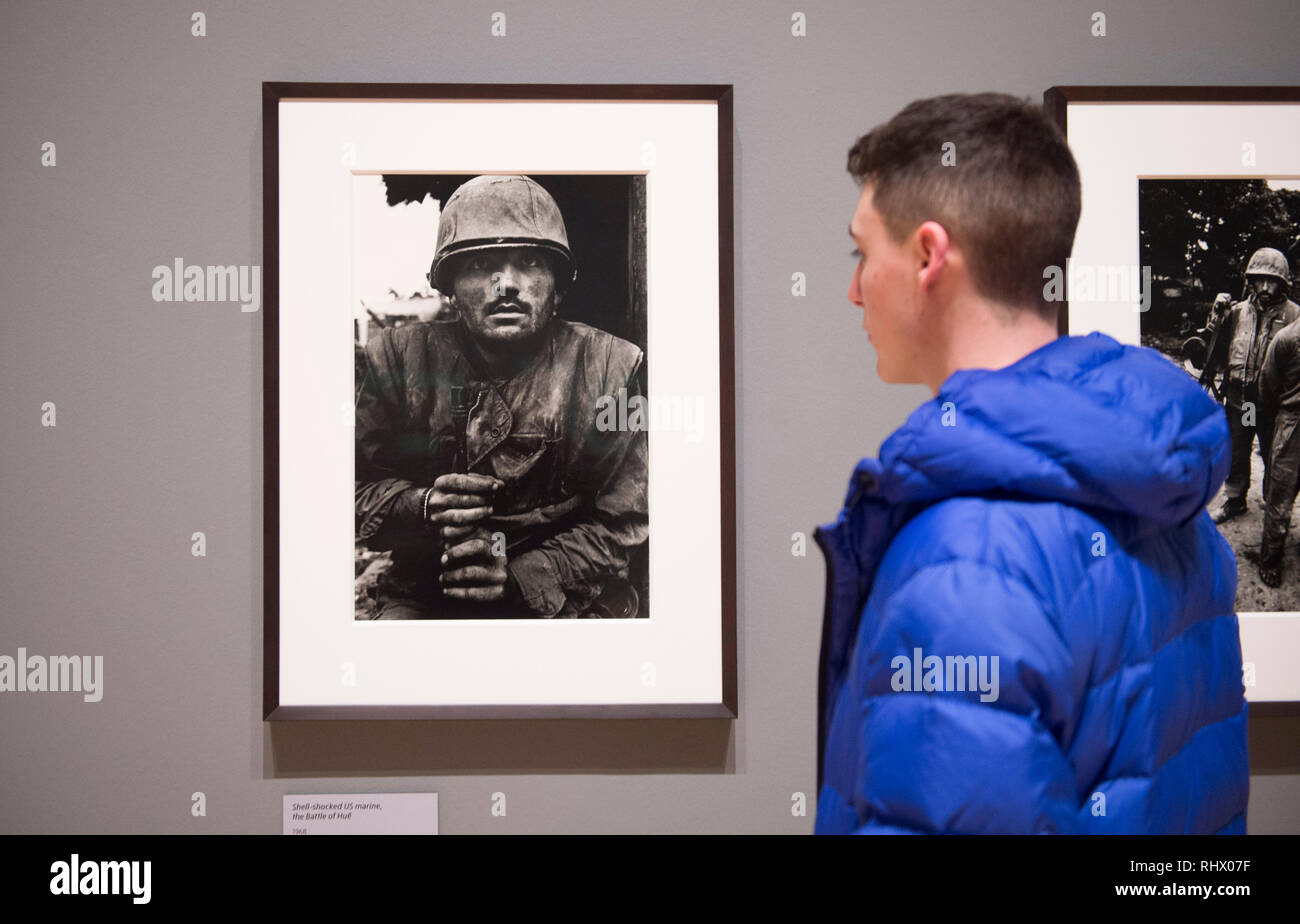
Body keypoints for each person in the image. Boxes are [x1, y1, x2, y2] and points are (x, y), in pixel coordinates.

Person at [813, 93, 1248, 834]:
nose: (852, 288)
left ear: (928, 256)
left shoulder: (968, 562)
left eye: (862, 252)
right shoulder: (1169, 505)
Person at [355, 175, 648, 619]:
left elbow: (623, 522)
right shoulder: (395, 361)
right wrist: (422, 504)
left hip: (567, 590)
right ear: (450, 285)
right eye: (479, 265)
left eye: (529, 262)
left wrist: (522, 577)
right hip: (427, 588)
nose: (505, 284)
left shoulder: (610, 367)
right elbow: (352, 492)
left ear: (558, 286)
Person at [1198, 247, 1300, 524]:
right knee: (1238, 450)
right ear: (1251, 280)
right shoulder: (1237, 312)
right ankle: (1235, 500)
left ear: (1283, 282)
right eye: (1260, 279)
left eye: (1272, 280)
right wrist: (1216, 315)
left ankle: (1274, 503)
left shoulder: (1294, 317)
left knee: (1273, 454)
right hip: (1243, 402)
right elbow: (1213, 347)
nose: (1265, 287)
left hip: (1274, 404)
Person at [1254, 255, 1300, 587]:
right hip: (1292, 422)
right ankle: (1270, 558)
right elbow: (1267, 388)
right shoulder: (1288, 339)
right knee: (1280, 495)